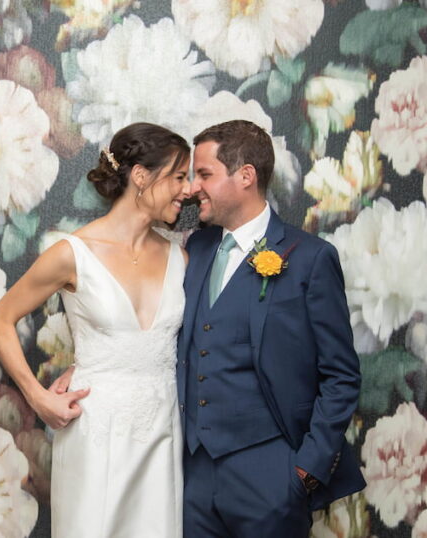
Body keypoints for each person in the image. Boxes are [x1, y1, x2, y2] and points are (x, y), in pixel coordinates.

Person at [0, 122, 192, 537]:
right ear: (141, 177)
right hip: (95, 432)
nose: (188, 190)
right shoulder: (72, 255)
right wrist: (38, 396)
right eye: (179, 177)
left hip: (163, 431)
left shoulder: (181, 258)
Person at [179, 120, 364, 536]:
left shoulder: (312, 259)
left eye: (204, 174)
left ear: (245, 176)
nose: (192, 188)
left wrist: (305, 470)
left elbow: (341, 375)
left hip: (271, 475)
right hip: (194, 474)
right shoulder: (197, 248)